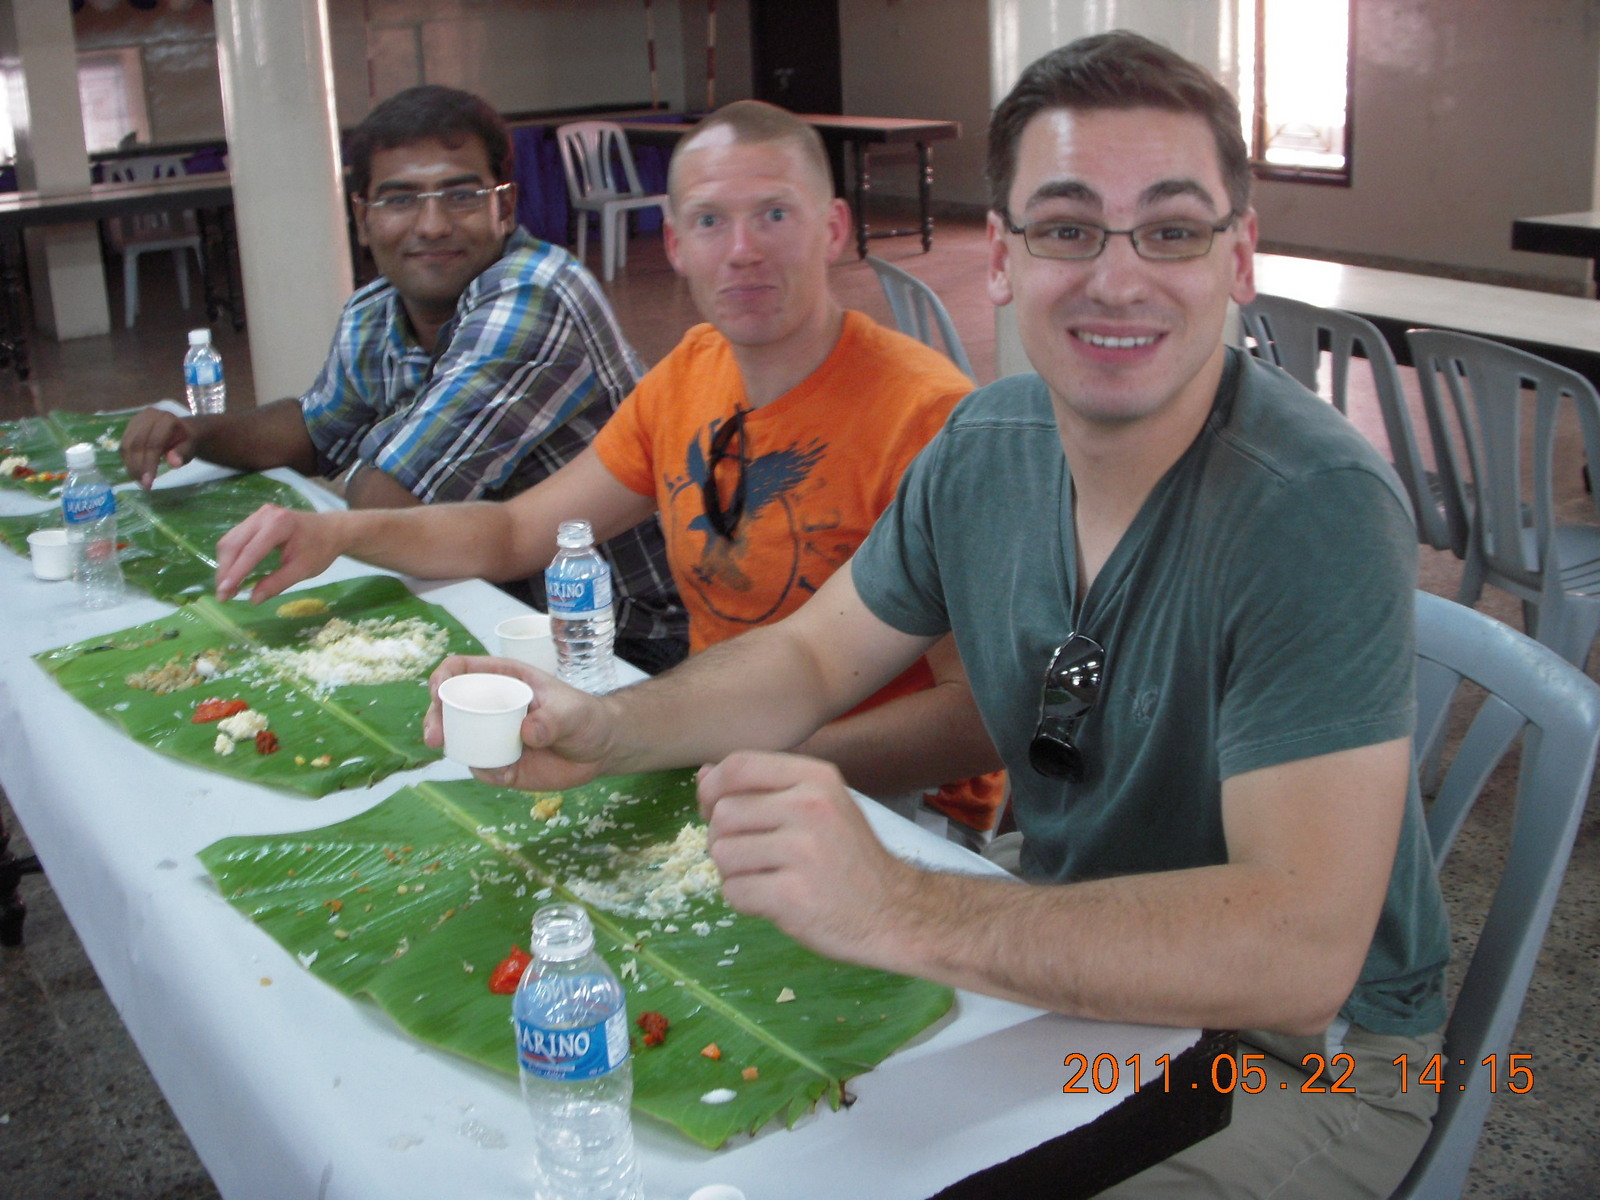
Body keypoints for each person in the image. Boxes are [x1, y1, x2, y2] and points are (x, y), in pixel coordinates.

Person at [422, 33, 1453, 1199]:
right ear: (1001, 256)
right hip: (1065, 948)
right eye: (1066, 229)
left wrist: (898, 904)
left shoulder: (1309, 507)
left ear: (1240, 257)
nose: (1118, 280)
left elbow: (1300, 953)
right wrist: (608, 730)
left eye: (1171, 231)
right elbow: (813, 658)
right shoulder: (985, 448)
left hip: (1297, 1058)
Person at [213, 100, 1005, 825]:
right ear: (675, 244)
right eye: (710, 221)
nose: (743, 252)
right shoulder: (691, 373)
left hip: (890, 801)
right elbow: (515, 532)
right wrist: (339, 533)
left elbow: (975, 718)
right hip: (721, 743)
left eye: (774, 214)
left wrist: (742, 758)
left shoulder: (928, 416)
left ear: (833, 229)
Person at [119, 84, 685, 673]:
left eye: (462, 195)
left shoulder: (535, 293)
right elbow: (313, 431)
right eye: (400, 200)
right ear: (362, 218)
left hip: (625, 637)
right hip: (494, 600)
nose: (432, 225)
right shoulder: (375, 309)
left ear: (506, 207)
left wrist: (359, 465)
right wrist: (196, 432)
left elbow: (389, 498)